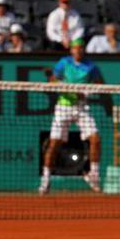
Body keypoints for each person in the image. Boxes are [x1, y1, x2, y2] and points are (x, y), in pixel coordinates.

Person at [39, 39, 104, 195]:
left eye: (81, 48)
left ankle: (93, 175)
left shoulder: (91, 66)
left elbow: (100, 84)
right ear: (71, 50)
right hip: (63, 107)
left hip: (82, 107)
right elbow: (52, 81)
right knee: (54, 144)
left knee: (96, 139)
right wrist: (62, 85)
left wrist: (86, 92)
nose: (78, 50)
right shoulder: (64, 63)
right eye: (76, 48)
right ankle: (45, 180)